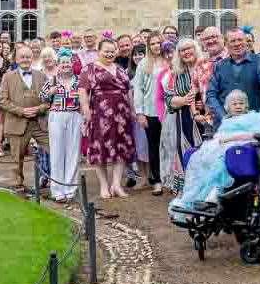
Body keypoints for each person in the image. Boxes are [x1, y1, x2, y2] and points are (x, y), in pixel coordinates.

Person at [170, 90, 260, 212]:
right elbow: (220, 135)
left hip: (242, 148)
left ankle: (214, 192)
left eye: (241, 103)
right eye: (235, 104)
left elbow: (252, 135)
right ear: (228, 107)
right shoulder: (232, 120)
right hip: (223, 144)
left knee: (221, 156)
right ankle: (188, 199)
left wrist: (229, 138)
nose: (238, 106)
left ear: (246, 105)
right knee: (200, 157)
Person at [80, 33, 138, 198]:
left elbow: (128, 92)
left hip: (121, 115)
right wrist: (86, 111)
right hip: (99, 114)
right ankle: (104, 186)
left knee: (120, 150)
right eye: (106, 51)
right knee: (100, 151)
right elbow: (83, 90)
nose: (110, 54)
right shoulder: (89, 68)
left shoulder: (120, 69)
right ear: (99, 51)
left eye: (113, 51)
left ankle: (116, 185)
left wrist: (132, 111)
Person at [0, 44, 49, 196]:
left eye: (28, 56)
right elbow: (2, 100)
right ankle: (18, 186)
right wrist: (21, 111)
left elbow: (49, 100)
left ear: (32, 58)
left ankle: (58, 184)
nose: (25, 59)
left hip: (40, 123)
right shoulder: (8, 77)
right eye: (22, 57)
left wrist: (39, 109)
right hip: (17, 123)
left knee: (54, 149)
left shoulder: (41, 76)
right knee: (17, 157)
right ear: (16, 59)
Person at [158, 39, 206, 191]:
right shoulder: (176, 73)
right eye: (182, 50)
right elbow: (168, 98)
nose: (186, 52)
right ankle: (187, 188)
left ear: (196, 48)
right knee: (185, 151)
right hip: (183, 118)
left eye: (189, 48)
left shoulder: (206, 67)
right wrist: (184, 100)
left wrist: (202, 103)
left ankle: (204, 187)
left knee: (205, 150)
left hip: (206, 117)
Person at [41, 49, 84, 205]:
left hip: (75, 116)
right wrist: (50, 92)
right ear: (58, 65)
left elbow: (86, 100)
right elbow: (42, 97)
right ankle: (57, 190)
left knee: (73, 152)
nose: (65, 65)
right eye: (63, 63)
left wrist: (85, 119)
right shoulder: (52, 80)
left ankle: (71, 189)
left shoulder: (79, 81)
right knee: (57, 152)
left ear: (72, 64)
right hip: (57, 116)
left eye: (68, 62)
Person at [207, 29, 260, 123]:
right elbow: (211, 94)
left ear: (246, 42)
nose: (237, 44)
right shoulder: (219, 65)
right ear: (226, 44)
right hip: (225, 126)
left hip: (253, 122)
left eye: (240, 40)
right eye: (233, 41)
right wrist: (223, 116)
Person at [132, 33, 165, 193]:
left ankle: (171, 178)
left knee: (169, 145)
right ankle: (156, 180)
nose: (156, 46)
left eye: (159, 42)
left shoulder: (170, 60)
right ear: (148, 46)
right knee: (154, 146)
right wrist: (140, 113)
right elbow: (138, 89)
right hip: (150, 111)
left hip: (170, 111)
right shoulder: (144, 64)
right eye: (153, 43)